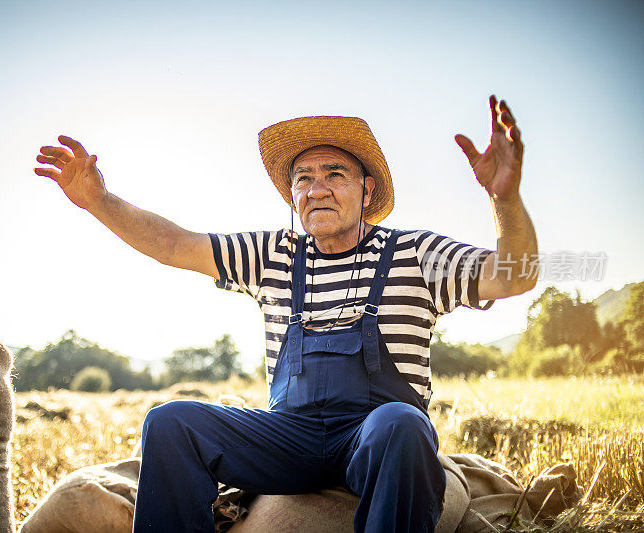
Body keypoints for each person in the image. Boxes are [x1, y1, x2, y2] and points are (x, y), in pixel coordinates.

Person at [34, 94, 537, 532]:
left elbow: (515, 276)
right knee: (172, 421)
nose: (316, 188)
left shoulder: (414, 253)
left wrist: (504, 198)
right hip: (289, 437)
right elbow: (172, 244)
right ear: (293, 195)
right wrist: (99, 200)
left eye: (334, 174)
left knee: (402, 423)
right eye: (303, 178)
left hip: (373, 438)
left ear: (367, 190)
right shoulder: (274, 254)